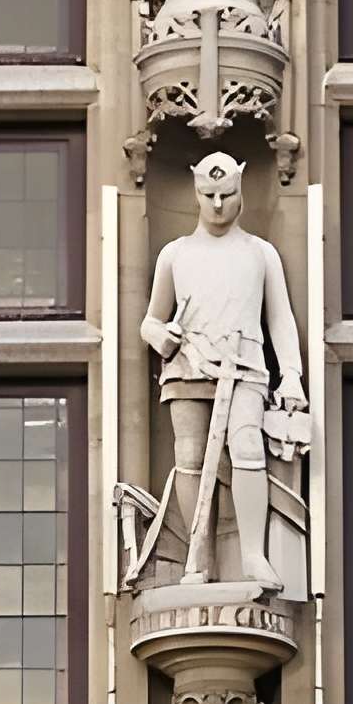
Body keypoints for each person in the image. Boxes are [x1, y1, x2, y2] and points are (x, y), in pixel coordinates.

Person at [139, 151, 306, 593]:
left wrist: (291, 374)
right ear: (196, 191)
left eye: (227, 194)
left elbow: (280, 319)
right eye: (208, 194)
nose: (217, 204)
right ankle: (200, 553)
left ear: (241, 191)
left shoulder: (260, 252)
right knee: (190, 457)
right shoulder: (174, 254)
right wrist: (163, 336)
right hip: (188, 365)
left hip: (245, 364)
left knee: (248, 446)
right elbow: (150, 320)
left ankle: (253, 553)